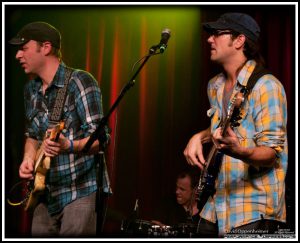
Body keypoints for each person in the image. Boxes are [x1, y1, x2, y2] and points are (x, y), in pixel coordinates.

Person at [183, 13, 288, 237]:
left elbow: (271, 153)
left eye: (217, 34)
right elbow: (224, 127)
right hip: (217, 203)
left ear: (239, 41)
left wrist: (239, 151)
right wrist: (198, 137)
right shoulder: (215, 86)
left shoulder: (266, 86)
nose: (210, 39)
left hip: (254, 207)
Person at [9, 21, 111, 237]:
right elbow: (32, 135)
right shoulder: (31, 90)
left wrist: (68, 145)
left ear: (45, 47)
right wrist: (28, 158)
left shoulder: (80, 81)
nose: (18, 55)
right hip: (44, 194)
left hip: (80, 190)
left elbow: (101, 140)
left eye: (24, 48)